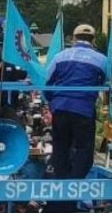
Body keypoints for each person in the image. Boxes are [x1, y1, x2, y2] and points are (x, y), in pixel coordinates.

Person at [44, 24, 106, 180]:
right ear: (93, 40)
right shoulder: (101, 59)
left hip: (60, 107)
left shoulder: (60, 56)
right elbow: (109, 83)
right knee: (84, 148)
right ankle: (76, 180)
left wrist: (52, 102)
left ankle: (61, 179)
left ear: (74, 38)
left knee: (60, 145)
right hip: (84, 109)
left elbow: (46, 82)